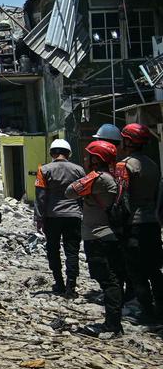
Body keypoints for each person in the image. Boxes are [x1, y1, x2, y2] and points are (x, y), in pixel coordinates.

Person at [67, 140, 125, 338]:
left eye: (89, 156)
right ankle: (114, 323)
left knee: (108, 281)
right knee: (113, 280)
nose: (85, 159)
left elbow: (70, 191)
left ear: (96, 159)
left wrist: (88, 176)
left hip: (98, 236)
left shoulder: (98, 178)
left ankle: (112, 326)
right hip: (107, 235)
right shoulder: (110, 177)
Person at [118, 123, 163, 321]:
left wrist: (120, 225)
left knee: (137, 272)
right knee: (154, 269)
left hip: (134, 225)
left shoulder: (124, 165)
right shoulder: (153, 165)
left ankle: (147, 312)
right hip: (153, 223)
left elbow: (123, 199)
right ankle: (161, 309)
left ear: (128, 141)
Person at [34, 139, 84, 298]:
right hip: (74, 216)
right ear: (69, 153)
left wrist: (39, 218)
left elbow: (40, 197)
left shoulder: (44, 170)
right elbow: (83, 195)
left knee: (53, 249)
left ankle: (59, 283)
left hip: (52, 217)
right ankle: (71, 286)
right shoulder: (79, 170)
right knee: (72, 251)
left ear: (51, 153)